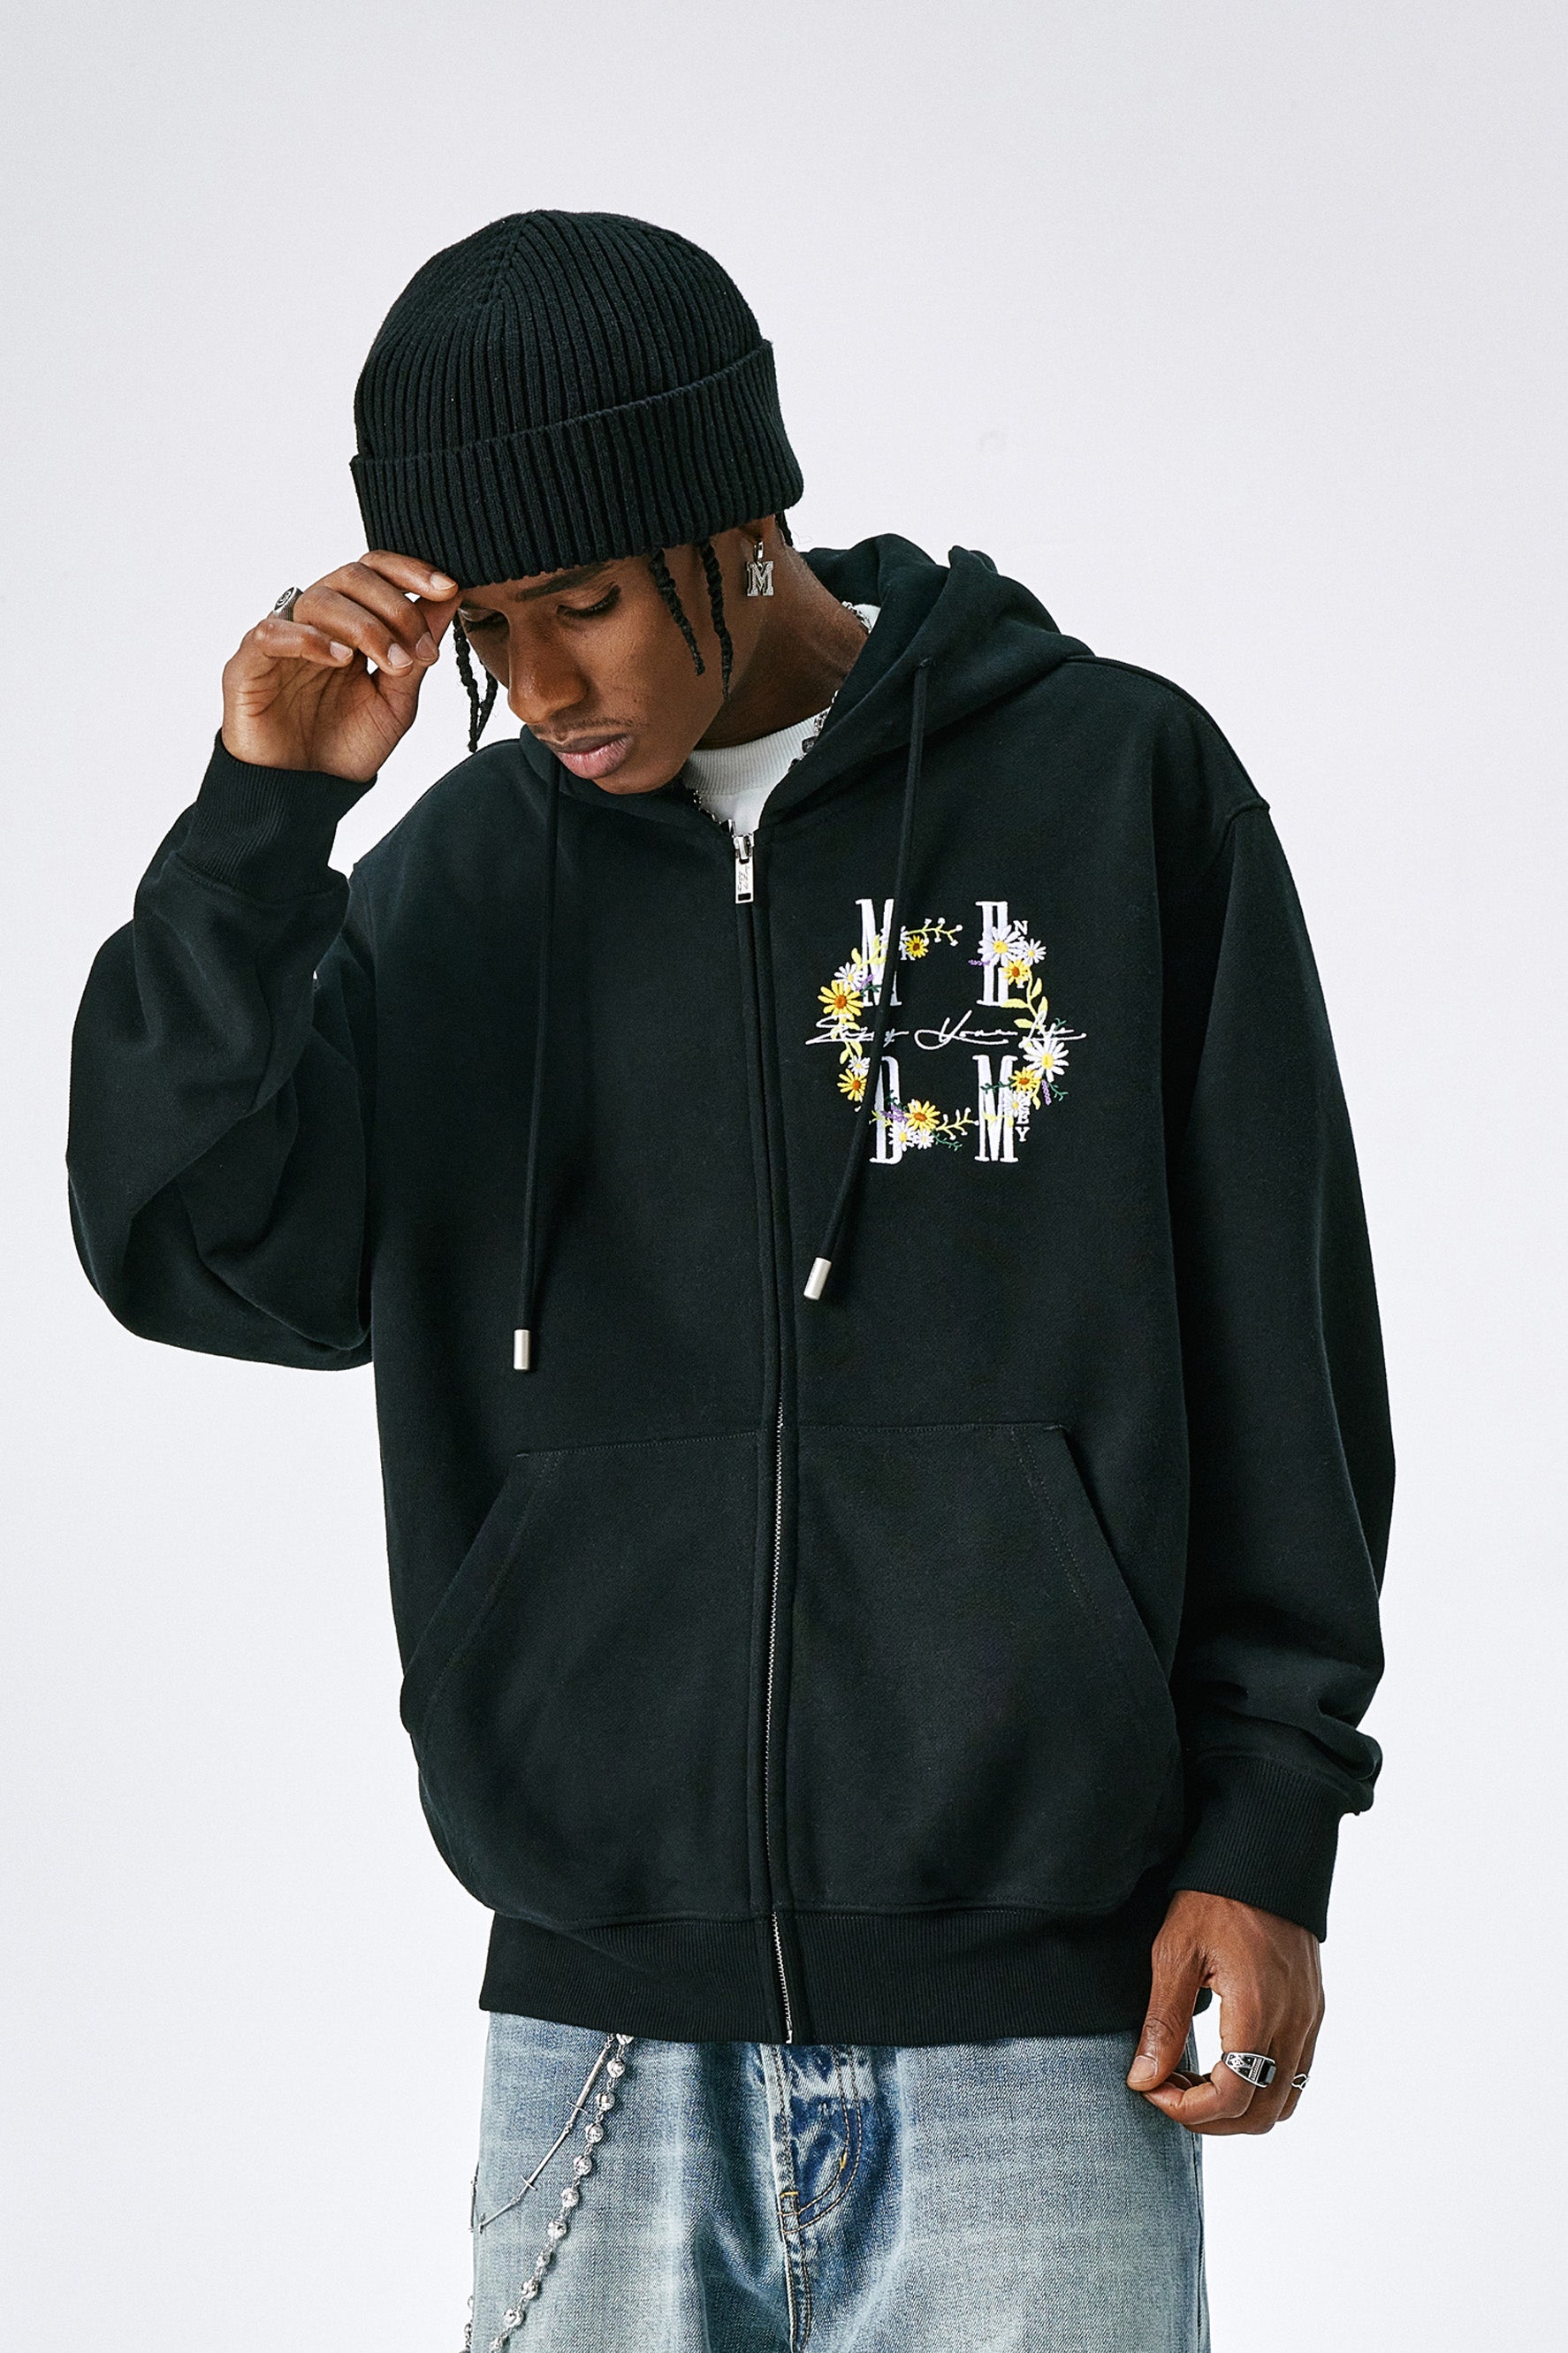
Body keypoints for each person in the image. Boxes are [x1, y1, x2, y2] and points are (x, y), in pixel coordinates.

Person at [66, 210, 1392, 2350]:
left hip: (1034, 2034)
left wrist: (1266, 1825)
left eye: (587, 600)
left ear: (739, 519)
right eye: (490, 627)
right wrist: (257, 822)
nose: (542, 687)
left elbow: (1280, 1338)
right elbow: (192, 1251)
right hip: (595, 2044)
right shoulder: (458, 886)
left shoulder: (1107, 790)